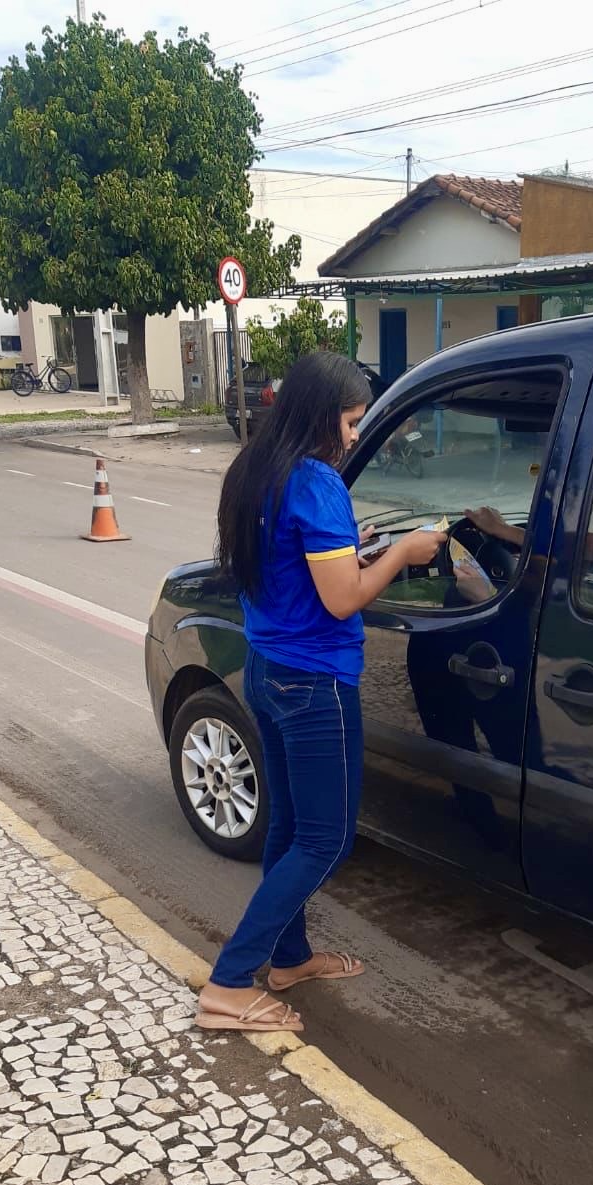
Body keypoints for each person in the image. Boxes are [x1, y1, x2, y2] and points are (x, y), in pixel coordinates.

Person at [197, 350, 447, 1034]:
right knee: (327, 840)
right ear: (319, 416)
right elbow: (343, 601)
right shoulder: (316, 484)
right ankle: (227, 981)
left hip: (269, 668)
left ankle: (289, 959)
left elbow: (298, 572)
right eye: (349, 421)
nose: (353, 436)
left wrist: (351, 550)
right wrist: (403, 554)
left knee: (289, 828)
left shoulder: (255, 471)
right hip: (314, 682)